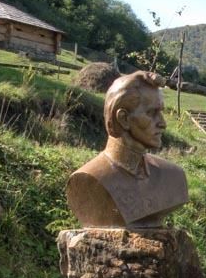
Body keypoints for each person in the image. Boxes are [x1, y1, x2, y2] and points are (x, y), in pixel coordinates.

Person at [66, 71, 188, 228]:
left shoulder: (173, 176)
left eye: (161, 112)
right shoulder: (88, 180)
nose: (163, 123)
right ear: (123, 119)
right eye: (151, 113)